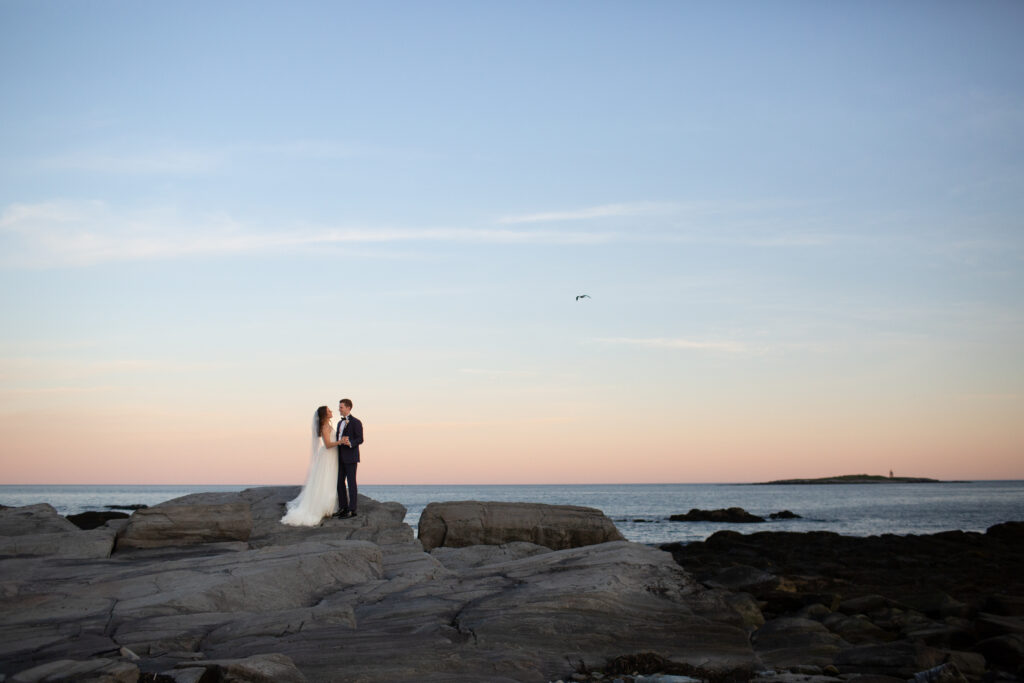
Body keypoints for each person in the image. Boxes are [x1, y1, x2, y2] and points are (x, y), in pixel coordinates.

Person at [281, 406, 342, 526]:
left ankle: (328, 506)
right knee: (326, 480)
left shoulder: (328, 425)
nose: (331, 412)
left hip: (332, 455)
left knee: (330, 479)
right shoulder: (324, 427)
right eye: (329, 411)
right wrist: (340, 442)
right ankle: (323, 506)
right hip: (328, 455)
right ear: (325, 414)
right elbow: (328, 444)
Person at [333, 398, 363, 518]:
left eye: (341, 407)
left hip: (351, 457)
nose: (339, 409)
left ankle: (352, 509)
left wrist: (349, 442)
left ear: (348, 408)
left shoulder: (356, 422)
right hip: (339, 457)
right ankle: (343, 507)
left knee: (351, 483)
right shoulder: (339, 423)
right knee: (339, 482)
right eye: (339, 407)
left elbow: (360, 439)